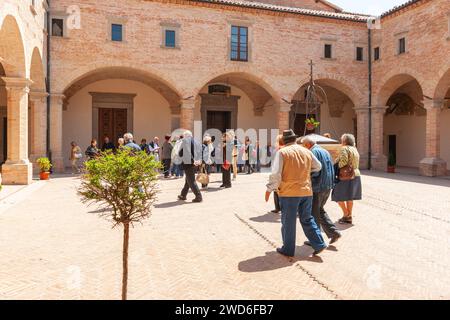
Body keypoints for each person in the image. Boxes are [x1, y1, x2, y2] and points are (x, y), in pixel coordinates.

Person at [265, 129, 327, 257]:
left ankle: (288, 249)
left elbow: (276, 174)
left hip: (289, 192)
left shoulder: (282, 153)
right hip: (306, 191)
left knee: (288, 221)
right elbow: (318, 166)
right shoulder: (306, 151)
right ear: (295, 139)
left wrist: (269, 189)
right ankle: (319, 243)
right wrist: (306, 172)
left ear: (284, 141)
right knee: (307, 218)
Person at [301, 135, 342, 245]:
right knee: (319, 210)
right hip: (327, 185)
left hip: (317, 186)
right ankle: (334, 232)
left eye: (304, 146)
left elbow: (315, 171)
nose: (304, 148)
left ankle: (316, 239)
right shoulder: (325, 151)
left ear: (308, 144)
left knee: (314, 212)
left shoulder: (312, 152)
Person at [332, 133, 362, 225]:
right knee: (350, 197)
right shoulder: (355, 149)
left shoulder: (344, 148)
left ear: (344, 141)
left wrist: (337, 164)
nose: (341, 141)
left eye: (342, 140)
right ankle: (349, 216)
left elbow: (343, 162)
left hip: (345, 175)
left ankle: (346, 215)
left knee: (337, 195)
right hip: (356, 174)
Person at [177, 131, 203, 203]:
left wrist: (192, 160)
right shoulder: (196, 141)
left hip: (189, 163)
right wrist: (199, 160)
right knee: (188, 179)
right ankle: (183, 195)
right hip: (195, 163)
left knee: (191, 181)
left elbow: (186, 152)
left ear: (185, 136)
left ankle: (198, 196)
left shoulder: (185, 141)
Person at [270, 135, 284, 214]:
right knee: (276, 191)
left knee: (277, 191)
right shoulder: (278, 150)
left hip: (279, 174)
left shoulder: (280, 150)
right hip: (279, 173)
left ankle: (278, 207)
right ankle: (278, 207)